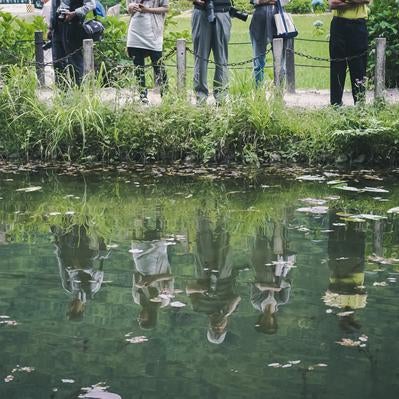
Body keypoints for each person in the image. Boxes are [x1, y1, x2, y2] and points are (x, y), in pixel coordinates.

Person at [186, 212, 241, 344]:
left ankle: (201, 207)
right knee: (224, 238)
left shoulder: (199, 308)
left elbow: (188, 289)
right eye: (220, 329)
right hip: (224, 276)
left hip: (203, 275)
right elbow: (237, 297)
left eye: (214, 329)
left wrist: (201, 290)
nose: (217, 326)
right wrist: (225, 313)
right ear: (225, 327)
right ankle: (224, 209)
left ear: (209, 327)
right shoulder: (231, 310)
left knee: (203, 238)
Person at [52, 224, 110, 321]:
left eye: (70, 310)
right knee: (91, 251)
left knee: (65, 246)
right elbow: (98, 273)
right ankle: (87, 226)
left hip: (72, 255)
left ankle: (70, 225)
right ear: (82, 308)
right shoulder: (92, 290)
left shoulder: (68, 287)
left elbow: (61, 264)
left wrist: (57, 247)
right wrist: (82, 268)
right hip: (88, 256)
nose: (72, 307)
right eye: (75, 310)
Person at [323, 212, 367, 332]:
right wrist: (343, 288)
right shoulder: (360, 304)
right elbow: (359, 290)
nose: (349, 316)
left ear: (341, 319)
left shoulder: (332, 302)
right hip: (355, 263)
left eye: (346, 319)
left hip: (336, 263)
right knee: (356, 229)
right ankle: (356, 205)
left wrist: (346, 288)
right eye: (351, 319)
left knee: (335, 231)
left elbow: (331, 288)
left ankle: (335, 208)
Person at [250, 220, 295, 334]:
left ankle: (259, 216)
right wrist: (278, 284)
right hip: (280, 268)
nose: (266, 321)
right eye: (269, 323)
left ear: (259, 320)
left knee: (260, 237)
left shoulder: (256, 302)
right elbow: (287, 285)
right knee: (278, 241)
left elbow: (256, 285)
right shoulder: (282, 300)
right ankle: (277, 220)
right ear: (274, 321)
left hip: (262, 267)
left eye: (264, 323)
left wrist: (274, 287)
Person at [131, 212, 174, 329]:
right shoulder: (164, 301)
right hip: (158, 264)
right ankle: (160, 210)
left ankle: (140, 211)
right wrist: (153, 279)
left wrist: (140, 281)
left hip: (140, 264)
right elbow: (170, 277)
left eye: (139, 319)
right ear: (150, 317)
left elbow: (135, 275)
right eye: (142, 319)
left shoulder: (137, 299)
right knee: (158, 232)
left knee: (139, 233)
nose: (139, 317)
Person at [126, 0, 169, 104]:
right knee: (138, 67)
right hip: (135, 31)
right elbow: (128, 8)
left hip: (153, 32)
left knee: (158, 64)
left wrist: (147, 9)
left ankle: (166, 95)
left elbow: (166, 8)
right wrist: (131, 7)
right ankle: (143, 96)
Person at [329, 0, 370, 106]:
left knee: (359, 68)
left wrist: (343, 2)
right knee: (337, 67)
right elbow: (333, 4)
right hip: (338, 25)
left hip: (358, 25)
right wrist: (355, 2)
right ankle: (335, 105)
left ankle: (360, 106)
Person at [191, 0, 232, 104]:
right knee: (200, 58)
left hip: (223, 12)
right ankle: (201, 98)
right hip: (202, 12)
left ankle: (221, 97)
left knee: (221, 59)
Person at [48, 0, 96, 85]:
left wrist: (75, 13)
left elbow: (91, 4)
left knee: (75, 61)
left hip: (73, 25)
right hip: (57, 27)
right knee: (58, 62)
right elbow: (54, 6)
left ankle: (79, 91)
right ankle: (62, 92)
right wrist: (50, 27)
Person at [249, 0, 289, 86]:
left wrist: (263, 1)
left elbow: (285, 1)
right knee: (258, 61)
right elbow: (255, 1)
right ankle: (259, 93)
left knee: (281, 61)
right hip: (259, 20)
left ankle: (279, 92)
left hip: (278, 18)